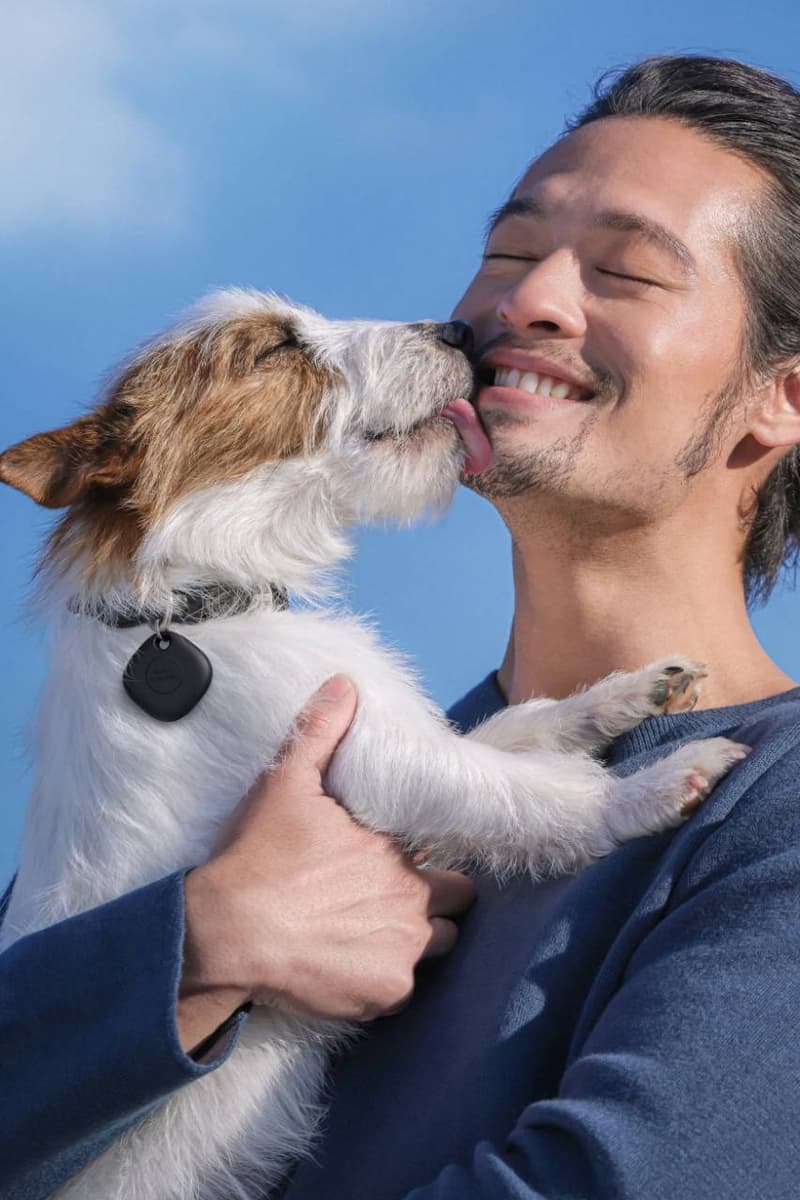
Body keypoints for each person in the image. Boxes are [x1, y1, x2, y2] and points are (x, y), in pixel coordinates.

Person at [4, 52, 800, 1199]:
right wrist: (202, 944)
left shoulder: (767, 811)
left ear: (783, 394)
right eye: (508, 254)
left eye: (624, 272)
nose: (524, 301)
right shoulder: (259, 781)